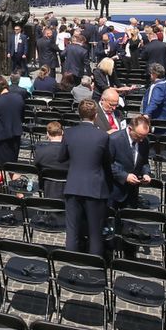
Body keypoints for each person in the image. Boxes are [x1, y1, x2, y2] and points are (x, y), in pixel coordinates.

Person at [59, 103, 110, 255]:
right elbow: (108, 161)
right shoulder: (102, 136)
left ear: (79, 114)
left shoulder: (69, 133)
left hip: (74, 185)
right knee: (95, 233)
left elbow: (61, 157)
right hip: (94, 187)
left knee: (72, 231)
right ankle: (94, 266)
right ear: (95, 115)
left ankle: (71, 264)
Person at [108, 114, 153, 209]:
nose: (141, 140)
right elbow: (107, 164)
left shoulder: (144, 142)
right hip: (115, 191)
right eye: (139, 136)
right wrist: (125, 176)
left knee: (129, 222)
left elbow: (144, 162)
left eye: (144, 136)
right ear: (129, 129)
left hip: (132, 192)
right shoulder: (114, 139)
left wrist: (146, 173)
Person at [0, 75, 24, 164]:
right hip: (15, 136)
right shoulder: (19, 98)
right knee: (12, 167)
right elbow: (22, 117)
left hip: (0, 138)